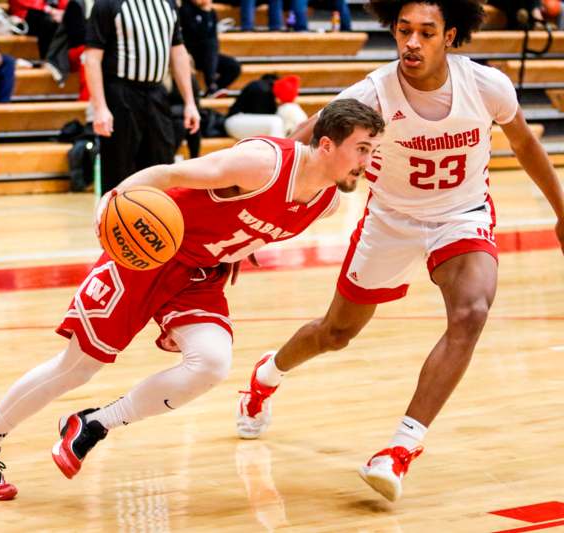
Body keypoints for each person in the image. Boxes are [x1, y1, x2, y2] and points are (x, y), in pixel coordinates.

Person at [0, 98, 384, 500]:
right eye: (362, 149)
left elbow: (254, 221)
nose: (368, 161)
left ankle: (93, 424)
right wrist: (113, 200)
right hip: (149, 253)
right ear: (327, 145)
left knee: (212, 363)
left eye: (371, 151)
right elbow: (169, 173)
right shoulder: (261, 163)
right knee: (79, 366)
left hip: (198, 275)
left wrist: (238, 247)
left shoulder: (325, 201)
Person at [236, 0, 564, 503]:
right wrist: (250, 224)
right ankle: (266, 375)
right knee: (335, 333)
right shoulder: (372, 93)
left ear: (450, 36)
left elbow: (524, 145)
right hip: (390, 220)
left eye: (426, 32)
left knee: (472, 311)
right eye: (403, 30)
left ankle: (400, 449)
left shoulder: (485, 85)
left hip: (461, 214)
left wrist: (562, 211)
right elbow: (304, 145)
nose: (412, 42)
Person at [84, 0, 200, 192]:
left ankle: (158, 220)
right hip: (120, 94)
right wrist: (100, 108)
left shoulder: (168, 3)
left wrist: (190, 102)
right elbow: (92, 59)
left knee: (162, 168)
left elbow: (178, 51)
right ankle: (111, 221)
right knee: (118, 170)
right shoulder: (107, 4)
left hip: (157, 93)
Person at [179, 0, 241, 96]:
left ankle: (214, 89)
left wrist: (206, 13)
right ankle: (211, 84)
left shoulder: (211, 12)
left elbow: (213, 37)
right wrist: (205, 13)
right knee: (209, 46)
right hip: (191, 54)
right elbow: (196, 35)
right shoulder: (185, 10)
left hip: (209, 56)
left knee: (233, 67)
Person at [225, 74, 307, 139]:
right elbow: (258, 115)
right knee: (275, 122)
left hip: (251, 123)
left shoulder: (273, 89)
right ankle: (282, 154)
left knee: (293, 111)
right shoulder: (262, 90)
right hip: (235, 121)